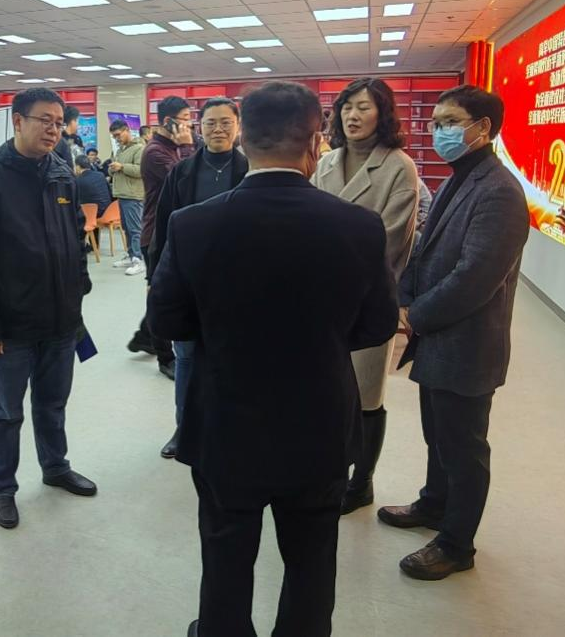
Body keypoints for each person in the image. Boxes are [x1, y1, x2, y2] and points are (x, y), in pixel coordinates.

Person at [148, 81, 398, 637]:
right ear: (315, 142)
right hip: (318, 425)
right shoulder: (359, 226)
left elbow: (166, 322)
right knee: (312, 557)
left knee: (225, 552)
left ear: (244, 139)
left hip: (225, 423)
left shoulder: (193, 224)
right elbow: (379, 325)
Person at [378, 85, 529, 581]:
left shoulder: (499, 191)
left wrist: (415, 316)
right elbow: (425, 250)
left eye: (449, 122)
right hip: (439, 339)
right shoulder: (460, 177)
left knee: (463, 447)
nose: (437, 131)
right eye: (436, 122)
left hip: (468, 343)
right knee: (437, 435)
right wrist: (405, 297)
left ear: (482, 128)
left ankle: (456, 544)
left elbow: (475, 278)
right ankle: (434, 504)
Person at [0, 88, 96, 531]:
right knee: (6, 413)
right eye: (44, 120)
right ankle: (3, 488)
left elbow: (76, 237)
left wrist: (77, 293)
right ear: (17, 121)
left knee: (53, 404)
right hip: (10, 328)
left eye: (58, 122)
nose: (53, 130)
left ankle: (55, 467)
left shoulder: (62, 175)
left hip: (60, 321)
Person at [313, 77, 419, 514]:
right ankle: (330, 469)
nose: (352, 116)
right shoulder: (326, 162)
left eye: (363, 107)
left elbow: (389, 241)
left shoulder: (399, 167)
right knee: (327, 393)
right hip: (318, 302)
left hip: (367, 302)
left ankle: (362, 482)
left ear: (383, 114)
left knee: (366, 397)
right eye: (347, 107)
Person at [149, 97, 248, 460]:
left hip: (237, 283)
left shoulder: (251, 169)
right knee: (187, 357)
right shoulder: (182, 172)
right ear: (199, 128)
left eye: (225, 122)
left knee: (233, 358)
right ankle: (184, 427)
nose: (218, 129)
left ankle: (231, 429)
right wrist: (156, 276)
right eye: (210, 123)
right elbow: (163, 226)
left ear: (238, 127)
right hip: (189, 280)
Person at [129, 96, 195, 378]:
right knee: (160, 295)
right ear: (168, 121)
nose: (189, 125)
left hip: (176, 230)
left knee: (165, 290)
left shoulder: (173, 147)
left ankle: (145, 335)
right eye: (184, 119)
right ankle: (165, 357)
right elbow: (185, 181)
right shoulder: (156, 152)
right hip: (157, 234)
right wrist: (187, 147)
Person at [107, 119, 145, 274]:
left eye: (118, 135)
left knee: (135, 229)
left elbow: (141, 171)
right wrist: (112, 169)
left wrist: (122, 167)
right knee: (127, 228)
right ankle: (131, 255)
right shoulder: (120, 150)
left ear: (127, 130)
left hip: (133, 195)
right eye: (114, 136)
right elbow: (113, 171)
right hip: (122, 194)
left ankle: (139, 259)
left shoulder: (139, 148)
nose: (117, 138)